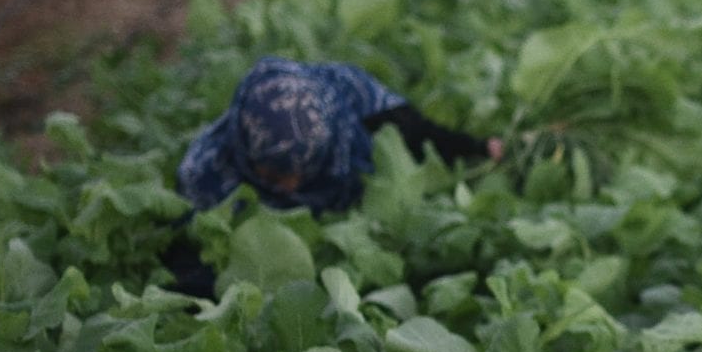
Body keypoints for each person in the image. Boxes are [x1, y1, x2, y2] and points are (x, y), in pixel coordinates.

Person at [164, 55, 503, 294]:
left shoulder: (350, 96)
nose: (291, 185)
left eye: (303, 169)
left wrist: (479, 148)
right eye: (276, 173)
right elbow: (187, 258)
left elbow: (419, 133)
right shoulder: (205, 175)